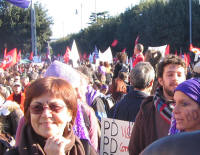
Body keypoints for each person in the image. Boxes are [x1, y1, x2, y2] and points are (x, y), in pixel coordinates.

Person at [5, 77, 96, 155]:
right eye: (37, 107)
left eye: (55, 107)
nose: (46, 114)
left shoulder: (85, 150)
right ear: (29, 113)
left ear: (70, 114)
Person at [128, 55, 187, 155]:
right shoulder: (147, 109)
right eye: (170, 75)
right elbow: (134, 147)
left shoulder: (193, 108)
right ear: (160, 80)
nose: (175, 78)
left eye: (179, 74)